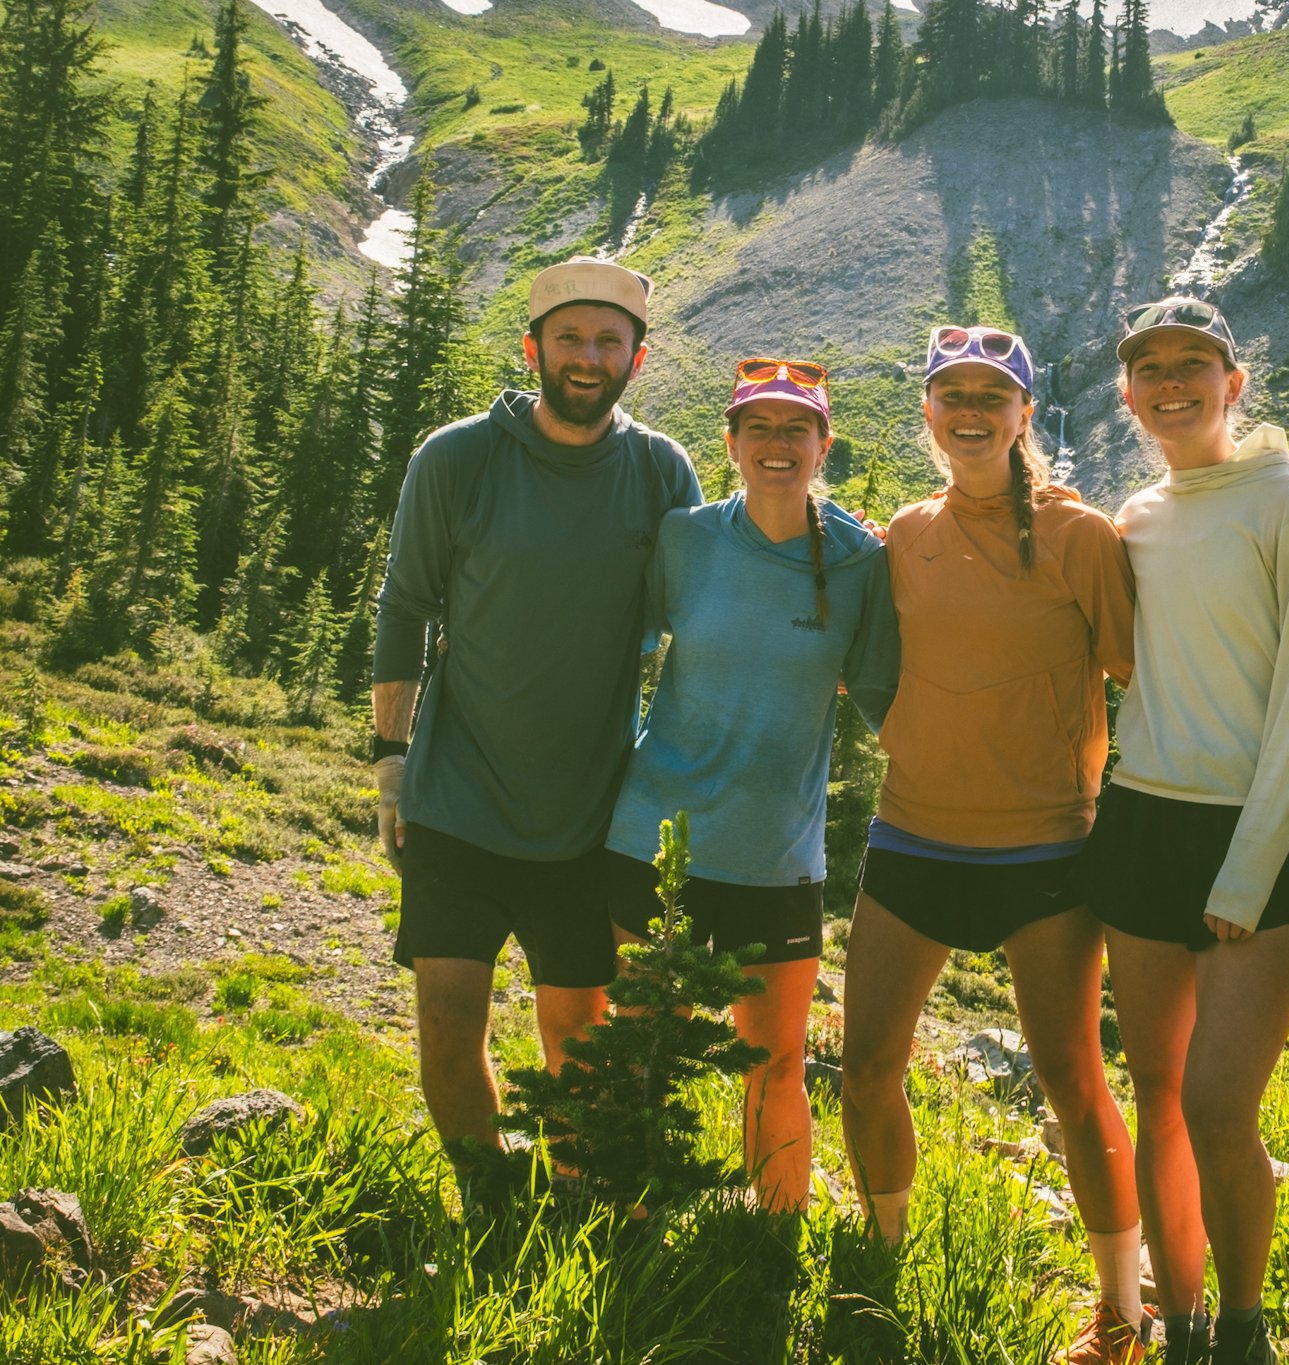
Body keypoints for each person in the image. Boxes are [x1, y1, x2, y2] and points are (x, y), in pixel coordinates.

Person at [836, 325, 1149, 1365]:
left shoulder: (1081, 535)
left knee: (1072, 1081)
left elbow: (1141, 672)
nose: (969, 411)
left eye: (990, 395)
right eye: (951, 394)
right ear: (928, 412)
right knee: (866, 1066)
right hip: (913, 834)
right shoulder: (905, 532)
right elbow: (872, 658)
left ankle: (1121, 1314)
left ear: (1024, 414)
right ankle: (880, 1259)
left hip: (1046, 851)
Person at [371, 257, 701, 1192]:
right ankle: (489, 1200)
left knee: (578, 1041)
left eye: (608, 342)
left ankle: (578, 1202)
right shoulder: (457, 458)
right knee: (446, 1030)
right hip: (455, 799)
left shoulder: (660, 471)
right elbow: (405, 607)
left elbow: (702, 612)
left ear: (637, 357)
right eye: (569, 339)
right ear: (533, 348)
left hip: (588, 817)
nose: (587, 357)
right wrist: (391, 764)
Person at [1082, 297, 1289, 1365]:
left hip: (1258, 835)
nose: (1170, 383)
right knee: (1157, 1095)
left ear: (1233, 383)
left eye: (1192, 364)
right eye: (1149, 368)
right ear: (1128, 392)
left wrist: (1249, 869)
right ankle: (1182, 1327)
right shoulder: (1137, 515)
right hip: (1142, 821)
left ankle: (1244, 1332)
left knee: (1217, 1105)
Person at [602, 359, 898, 1213]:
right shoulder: (685, 538)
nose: (777, 443)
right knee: (644, 1046)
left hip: (777, 858)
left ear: (823, 445)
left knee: (776, 1062)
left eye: (796, 428)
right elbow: (617, 649)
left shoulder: (860, 561)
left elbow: (890, 703)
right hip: (653, 840)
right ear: (730, 442)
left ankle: (774, 1243)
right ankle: (624, 1227)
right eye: (757, 427)